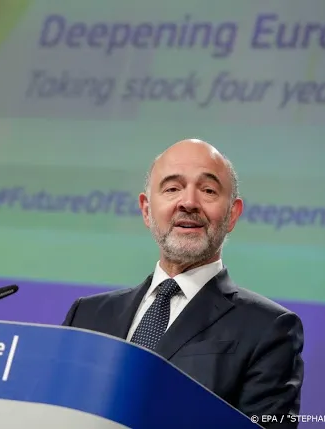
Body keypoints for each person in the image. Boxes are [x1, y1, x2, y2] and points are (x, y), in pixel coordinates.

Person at [62, 139, 304, 426]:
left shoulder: (269, 329)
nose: (188, 203)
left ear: (232, 214)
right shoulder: (86, 316)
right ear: (146, 210)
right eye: (172, 189)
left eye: (208, 190)